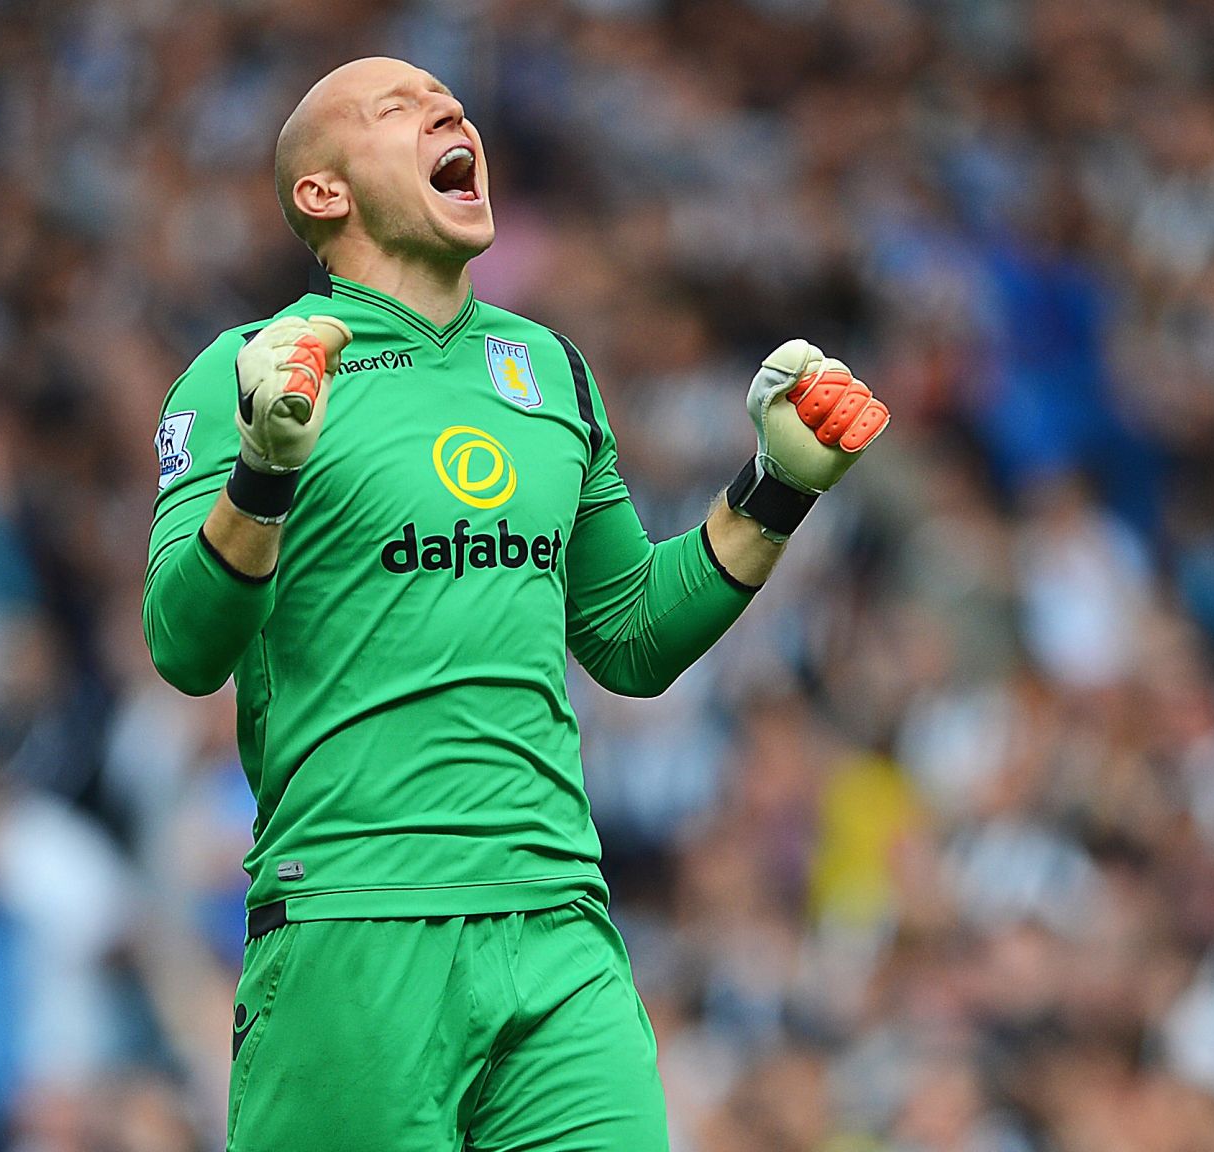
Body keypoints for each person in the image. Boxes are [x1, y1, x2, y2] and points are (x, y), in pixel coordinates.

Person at [140, 56, 889, 1151]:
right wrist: (263, 469)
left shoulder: (548, 370)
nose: (448, 112)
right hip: (357, 917)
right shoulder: (246, 370)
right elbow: (182, 644)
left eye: (450, 102)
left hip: (556, 918)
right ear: (323, 192)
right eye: (398, 109)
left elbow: (628, 633)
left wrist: (771, 491)